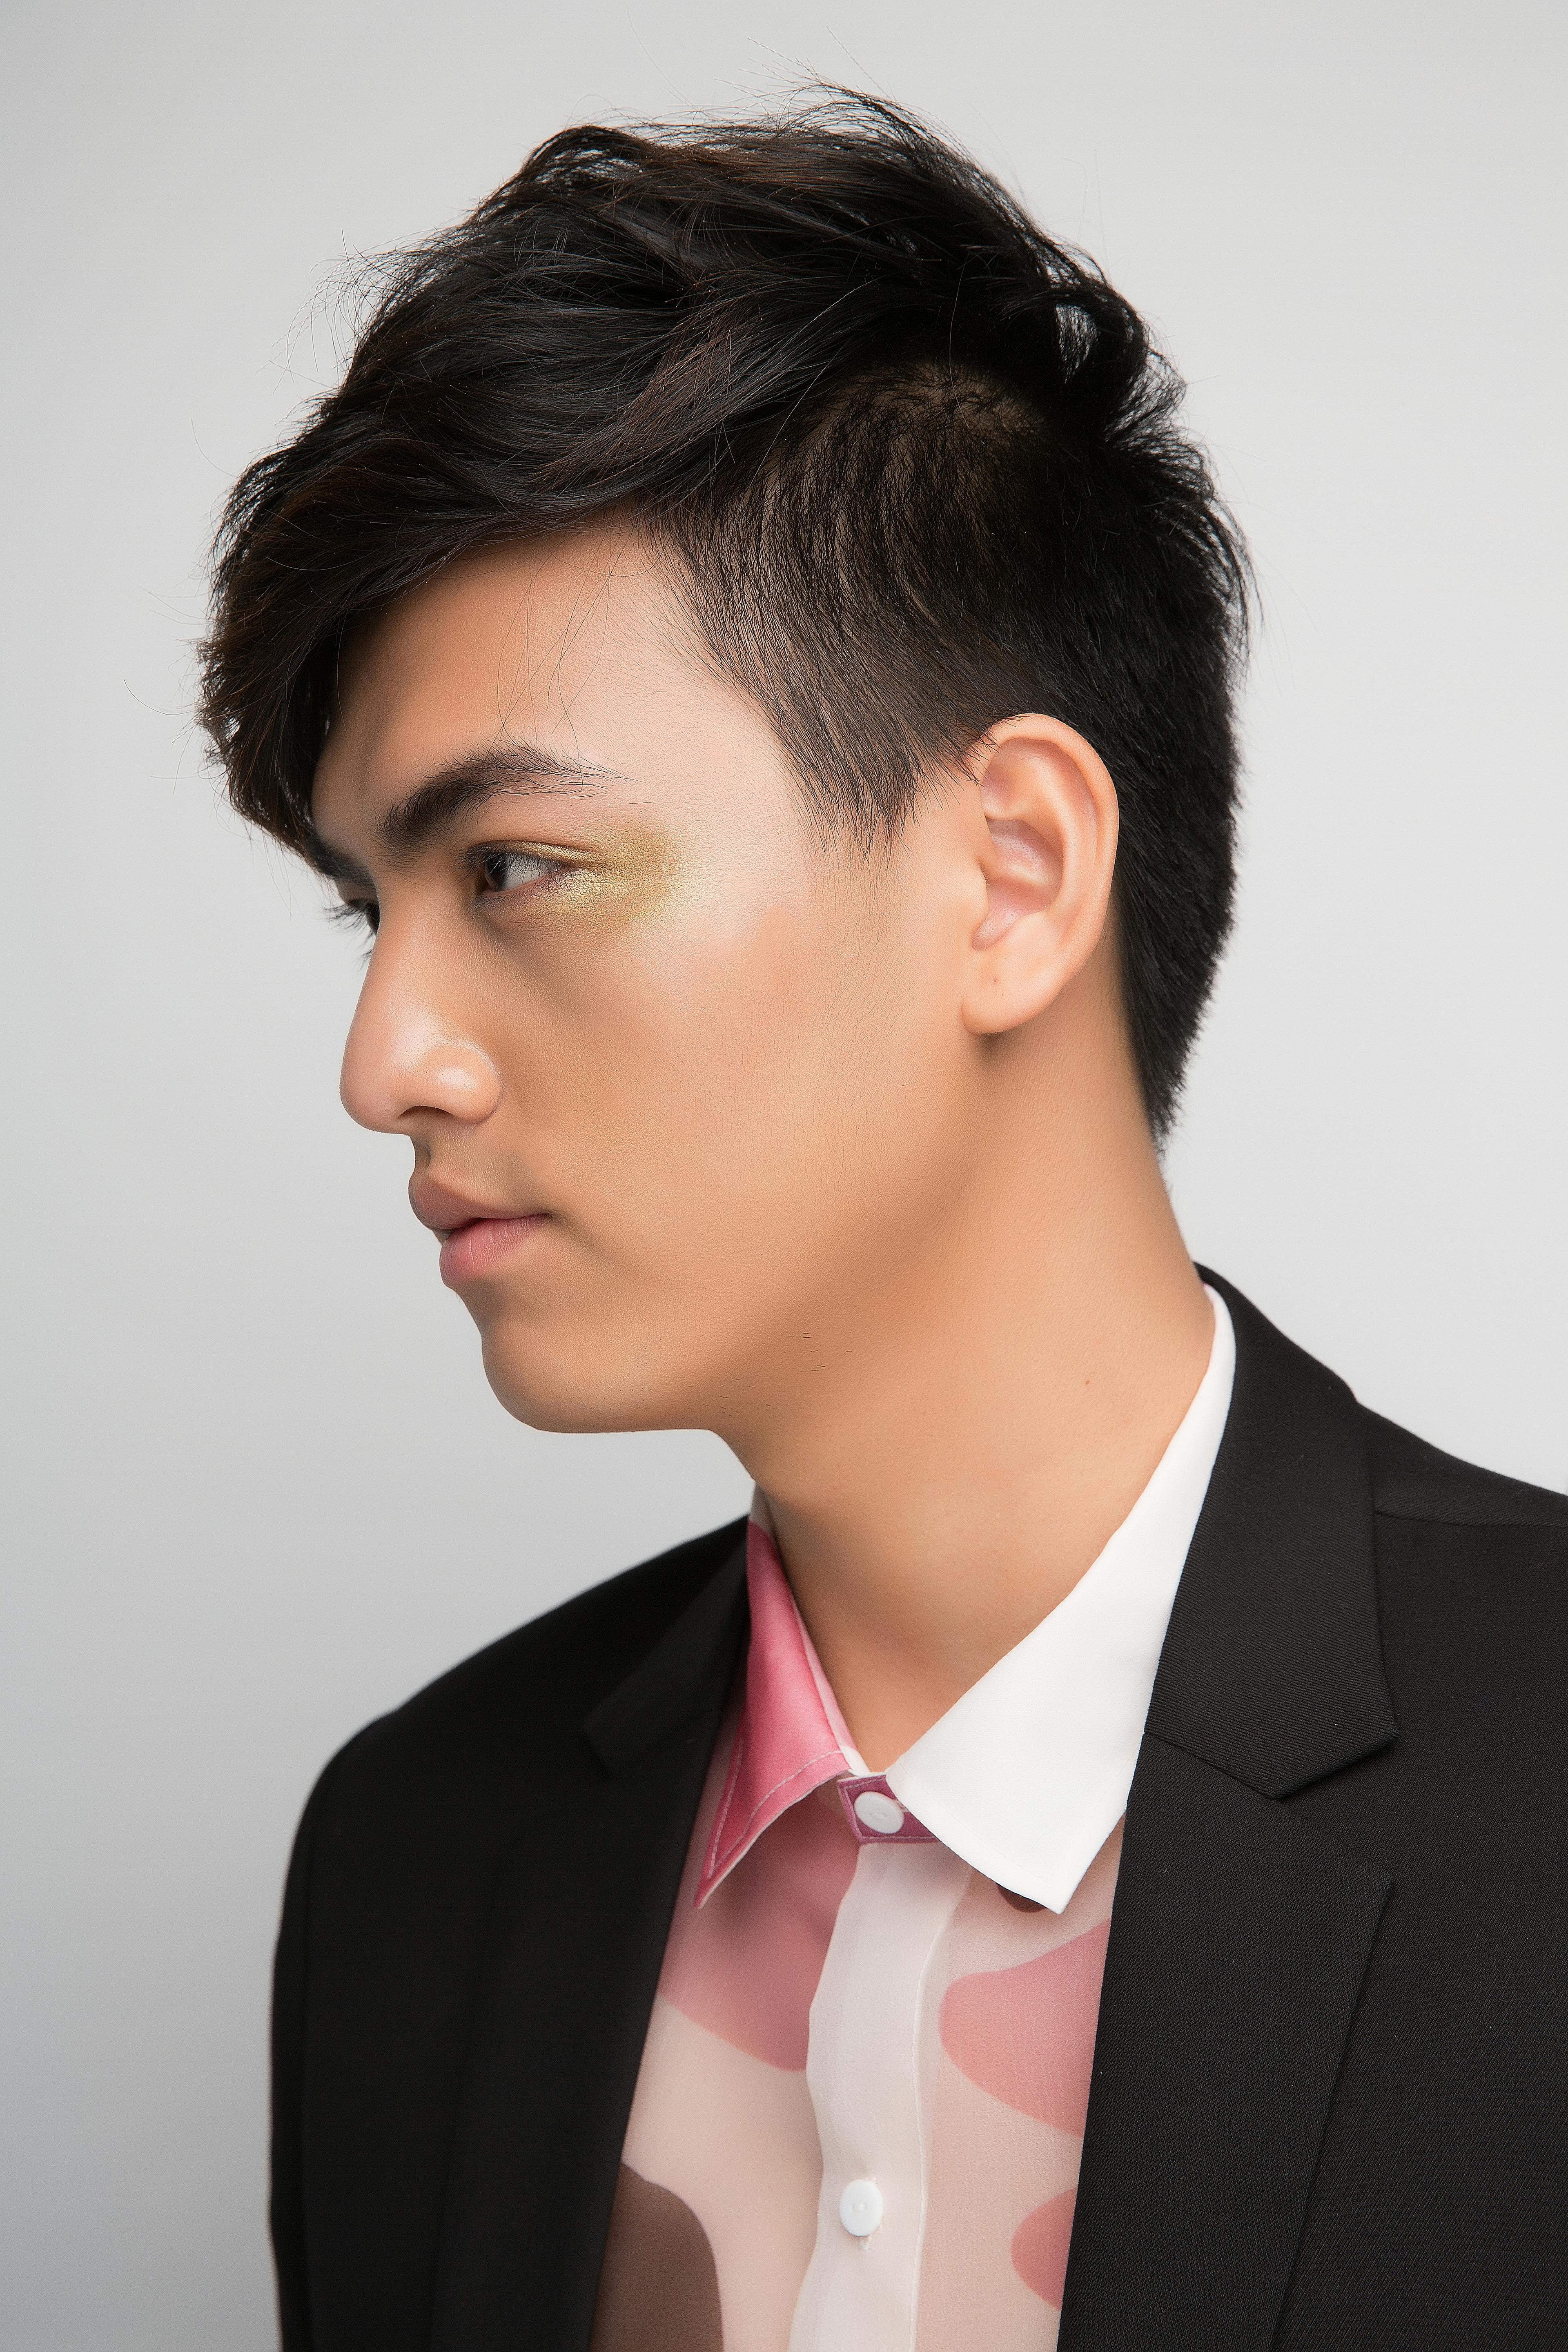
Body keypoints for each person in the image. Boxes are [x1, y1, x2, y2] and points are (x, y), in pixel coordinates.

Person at [199, 95, 1568, 2352]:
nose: (390, 1061)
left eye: (514, 869)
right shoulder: (416, 1868)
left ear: (1010, 874)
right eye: (371, 907)